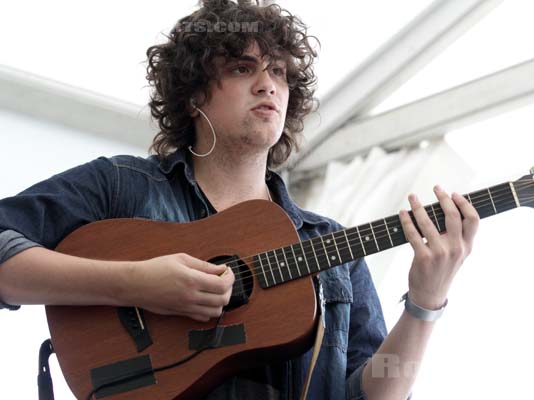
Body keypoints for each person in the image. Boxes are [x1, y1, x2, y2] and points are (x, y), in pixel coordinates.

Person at [0, 1, 479, 399]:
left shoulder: (329, 245)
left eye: (279, 72)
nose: (268, 84)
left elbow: (368, 394)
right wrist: (134, 284)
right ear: (193, 94)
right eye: (242, 68)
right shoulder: (121, 185)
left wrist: (425, 302)